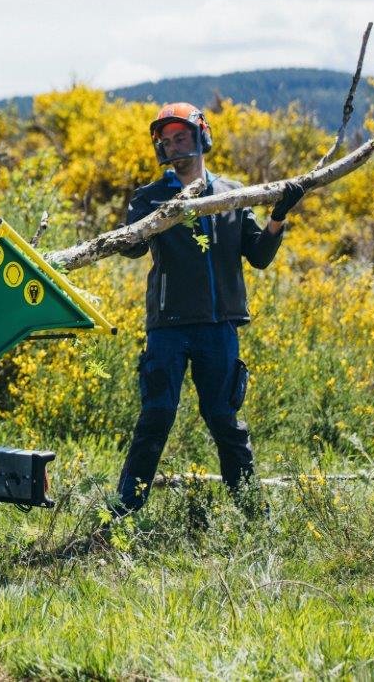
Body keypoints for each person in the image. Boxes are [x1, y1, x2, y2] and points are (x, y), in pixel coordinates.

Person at [113, 102, 304, 516]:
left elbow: (258, 256)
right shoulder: (150, 197)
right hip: (168, 326)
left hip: (219, 327)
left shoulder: (232, 193)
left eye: (181, 137)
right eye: (166, 141)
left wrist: (278, 218)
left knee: (225, 420)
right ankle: (123, 513)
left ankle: (252, 515)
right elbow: (131, 248)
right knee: (156, 416)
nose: (173, 146)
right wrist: (140, 225)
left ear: (201, 136)